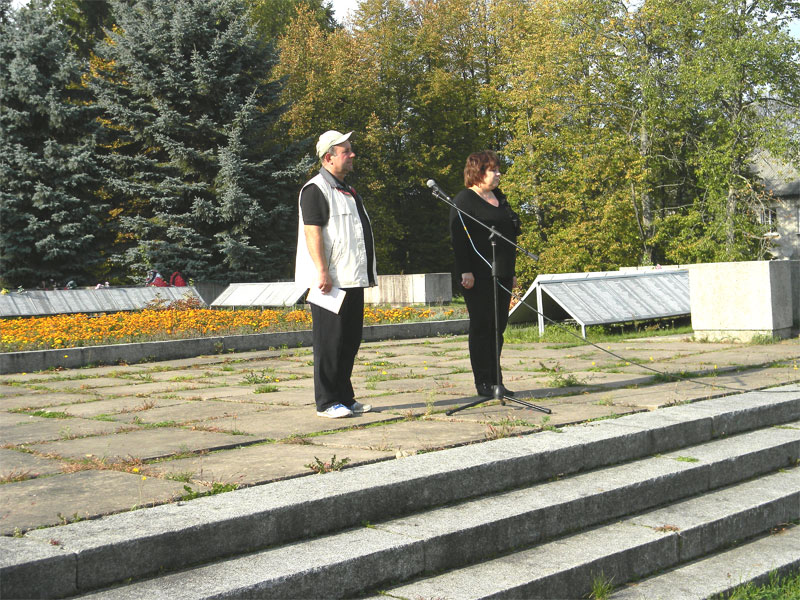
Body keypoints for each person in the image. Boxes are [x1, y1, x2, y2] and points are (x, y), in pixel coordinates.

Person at [295, 130, 378, 418]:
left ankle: (344, 396)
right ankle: (327, 402)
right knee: (329, 343)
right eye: (346, 151)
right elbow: (312, 232)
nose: (352, 155)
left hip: (352, 278)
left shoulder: (348, 191)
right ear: (328, 158)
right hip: (329, 282)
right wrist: (321, 271)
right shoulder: (315, 189)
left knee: (349, 342)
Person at [450, 150, 521, 398]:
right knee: (482, 327)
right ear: (478, 173)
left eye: (498, 170)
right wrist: (465, 270)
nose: (499, 174)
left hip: (502, 272)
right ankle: (483, 382)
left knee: (498, 328)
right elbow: (459, 239)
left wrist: (511, 271)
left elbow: (509, 237)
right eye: (494, 170)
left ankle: (496, 380)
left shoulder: (499, 197)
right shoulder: (464, 200)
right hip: (477, 275)